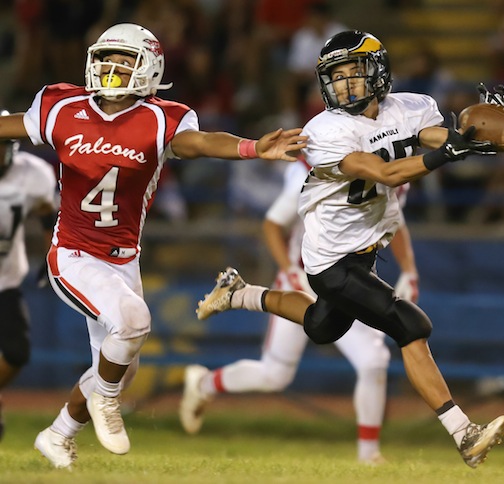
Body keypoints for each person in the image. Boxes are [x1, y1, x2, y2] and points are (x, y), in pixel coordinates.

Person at [196, 30, 504, 468]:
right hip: (329, 259)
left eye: (352, 73)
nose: (343, 84)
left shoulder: (412, 106)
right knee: (410, 325)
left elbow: (435, 136)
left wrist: (469, 135)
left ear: (377, 71)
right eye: (335, 76)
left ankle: (239, 293)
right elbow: (384, 173)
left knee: (322, 326)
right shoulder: (326, 129)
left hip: (364, 250)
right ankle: (463, 432)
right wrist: (450, 153)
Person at [0, 23, 306, 469]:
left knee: (123, 368)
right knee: (133, 323)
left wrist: (252, 147)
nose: (112, 68)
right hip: (73, 252)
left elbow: (202, 143)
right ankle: (104, 404)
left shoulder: (162, 118)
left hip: (124, 259)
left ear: (149, 68)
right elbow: (6, 127)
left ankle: (59, 432)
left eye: (125, 60)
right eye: (107, 58)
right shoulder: (62, 106)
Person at [180, 156, 419, 464]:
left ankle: (369, 454)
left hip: (349, 284)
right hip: (304, 283)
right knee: (274, 375)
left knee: (373, 360)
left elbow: (395, 219)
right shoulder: (318, 176)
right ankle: (203, 384)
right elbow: (272, 224)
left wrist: (410, 270)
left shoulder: (387, 178)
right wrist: (290, 270)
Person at [0, 109, 57, 441]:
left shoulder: (32, 175)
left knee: (17, 352)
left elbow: (47, 212)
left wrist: (54, 255)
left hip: (5, 280)